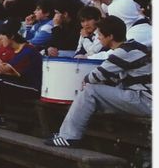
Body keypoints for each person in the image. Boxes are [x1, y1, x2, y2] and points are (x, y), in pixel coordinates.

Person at [47, 16, 150, 147]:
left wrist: (86, 80)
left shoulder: (123, 52)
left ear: (110, 36)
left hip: (144, 100)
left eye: (100, 34)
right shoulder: (132, 46)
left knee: (90, 91)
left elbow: (96, 75)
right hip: (141, 98)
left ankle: (69, 137)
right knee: (92, 94)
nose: (98, 38)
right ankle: (67, 134)